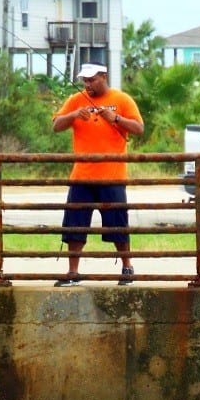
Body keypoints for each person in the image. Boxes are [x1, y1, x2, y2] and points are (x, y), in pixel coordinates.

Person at [52, 62, 144, 286]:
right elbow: (56, 125)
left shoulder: (122, 99)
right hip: (81, 176)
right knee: (75, 225)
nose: (88, 84)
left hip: (112, 176)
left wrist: (116, 119)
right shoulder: (76, 99)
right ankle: (73, 272)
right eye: (85, 80)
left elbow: (139, 129)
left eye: (92, 79)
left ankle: (127, 267)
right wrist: (74, 114)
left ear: (104, 76)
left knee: (117, 225)